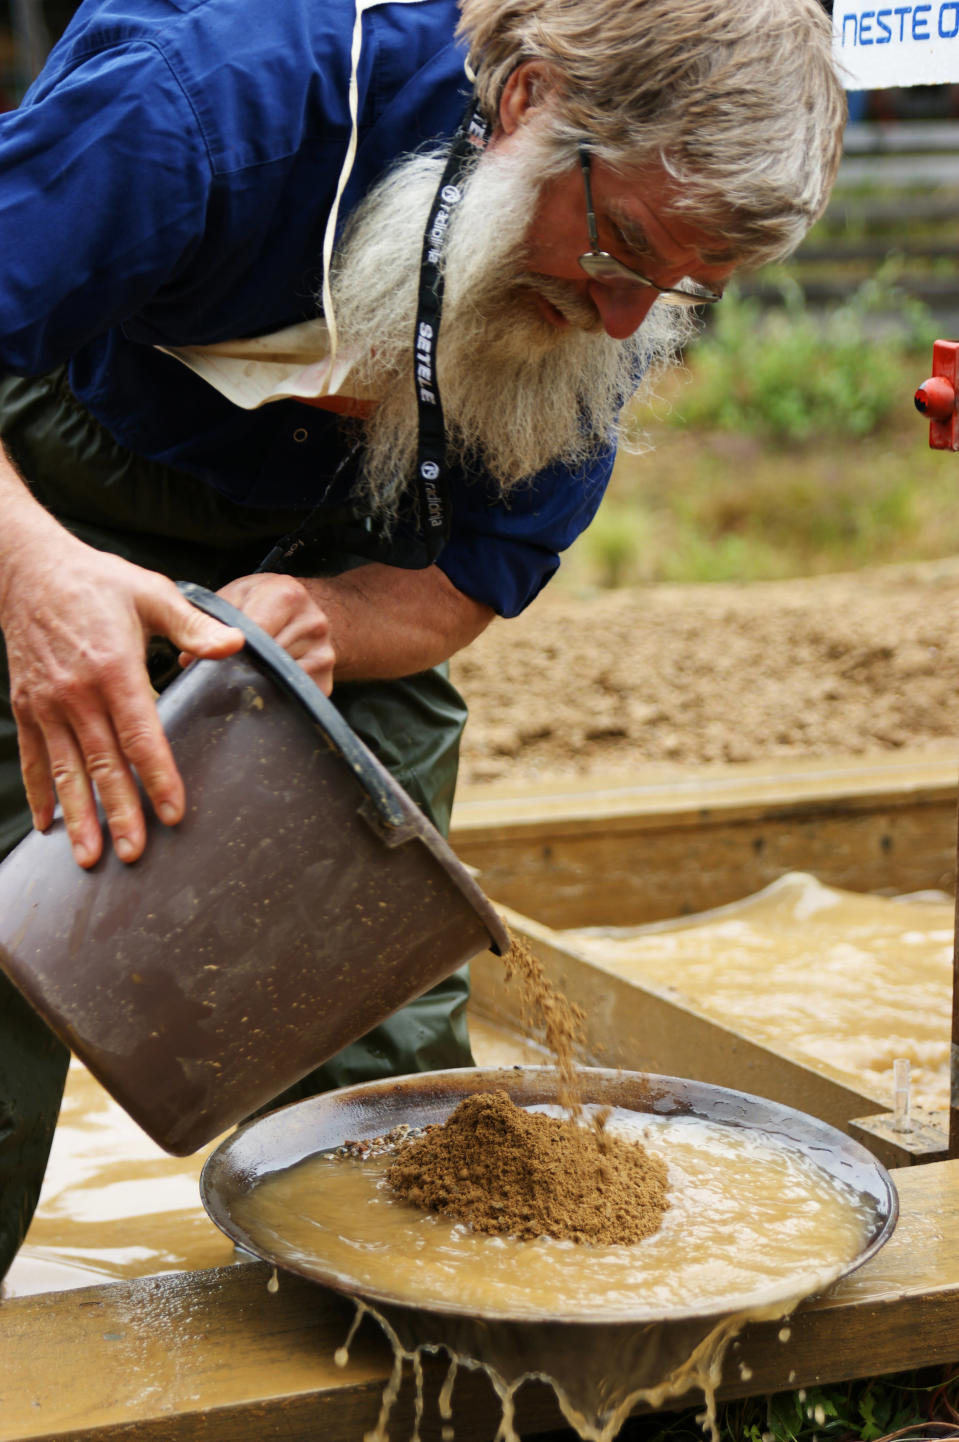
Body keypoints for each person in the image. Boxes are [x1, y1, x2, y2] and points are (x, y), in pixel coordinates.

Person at [0, 0, 846, 1282]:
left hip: (334, 533)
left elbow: (461, 577)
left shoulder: (605, 301)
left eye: (676, 287)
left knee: (385, 1053)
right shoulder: (207, 104)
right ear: (529, 104)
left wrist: (329, 619)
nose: (624, 323)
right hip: (43, 481)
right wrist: (36, 575)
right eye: (617, 250)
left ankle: (393, 1354)